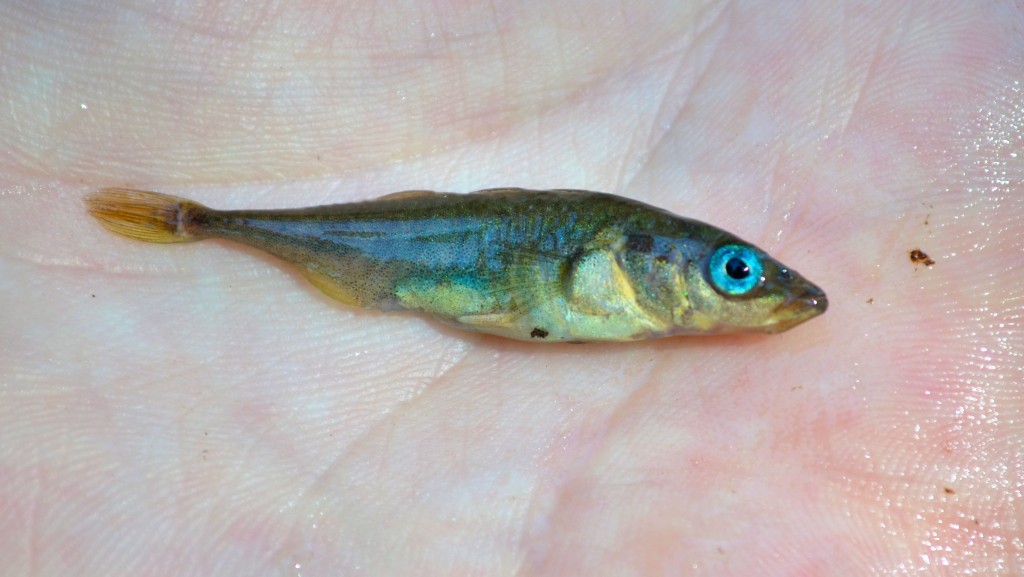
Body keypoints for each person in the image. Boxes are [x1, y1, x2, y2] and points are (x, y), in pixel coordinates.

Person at [1, 1, 1020, 575]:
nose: (755, 290)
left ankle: (207, 224)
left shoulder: (619, 291)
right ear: (635, 259)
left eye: (739, 271)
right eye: (734, 272)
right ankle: (202, 224)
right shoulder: (601, 275)